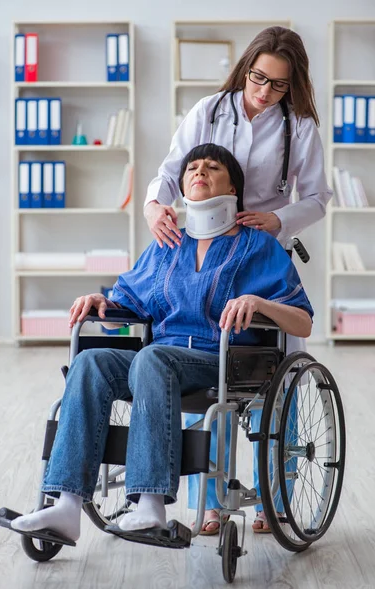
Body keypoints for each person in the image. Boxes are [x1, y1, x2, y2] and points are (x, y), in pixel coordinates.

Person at [10, 144, 313, 542]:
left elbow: (303, 321)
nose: (198, 172)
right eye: (191, 168)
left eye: (211, 167)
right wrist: (103, 302)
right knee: (91, 362)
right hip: (160, 361)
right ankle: (66, 506)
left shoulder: (258, 246)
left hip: (221, 359)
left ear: (233, 188)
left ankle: (150, 504)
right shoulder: (167, 245)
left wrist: (258, 302)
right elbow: (129, 302)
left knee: (152, 359)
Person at [144, 26, 331, 534]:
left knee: (281, 381)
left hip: (260, 254)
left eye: (277, 86)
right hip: (205, 248)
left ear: (292, 86)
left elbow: (316, 198)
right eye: (257, 78)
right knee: (206, 367)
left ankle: (279, 495)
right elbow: (169, 172)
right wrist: (153, 205)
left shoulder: (300, 128)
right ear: (245, 67)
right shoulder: (208, 110)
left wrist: (278, 220)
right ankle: (209, 502)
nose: (263, 93)